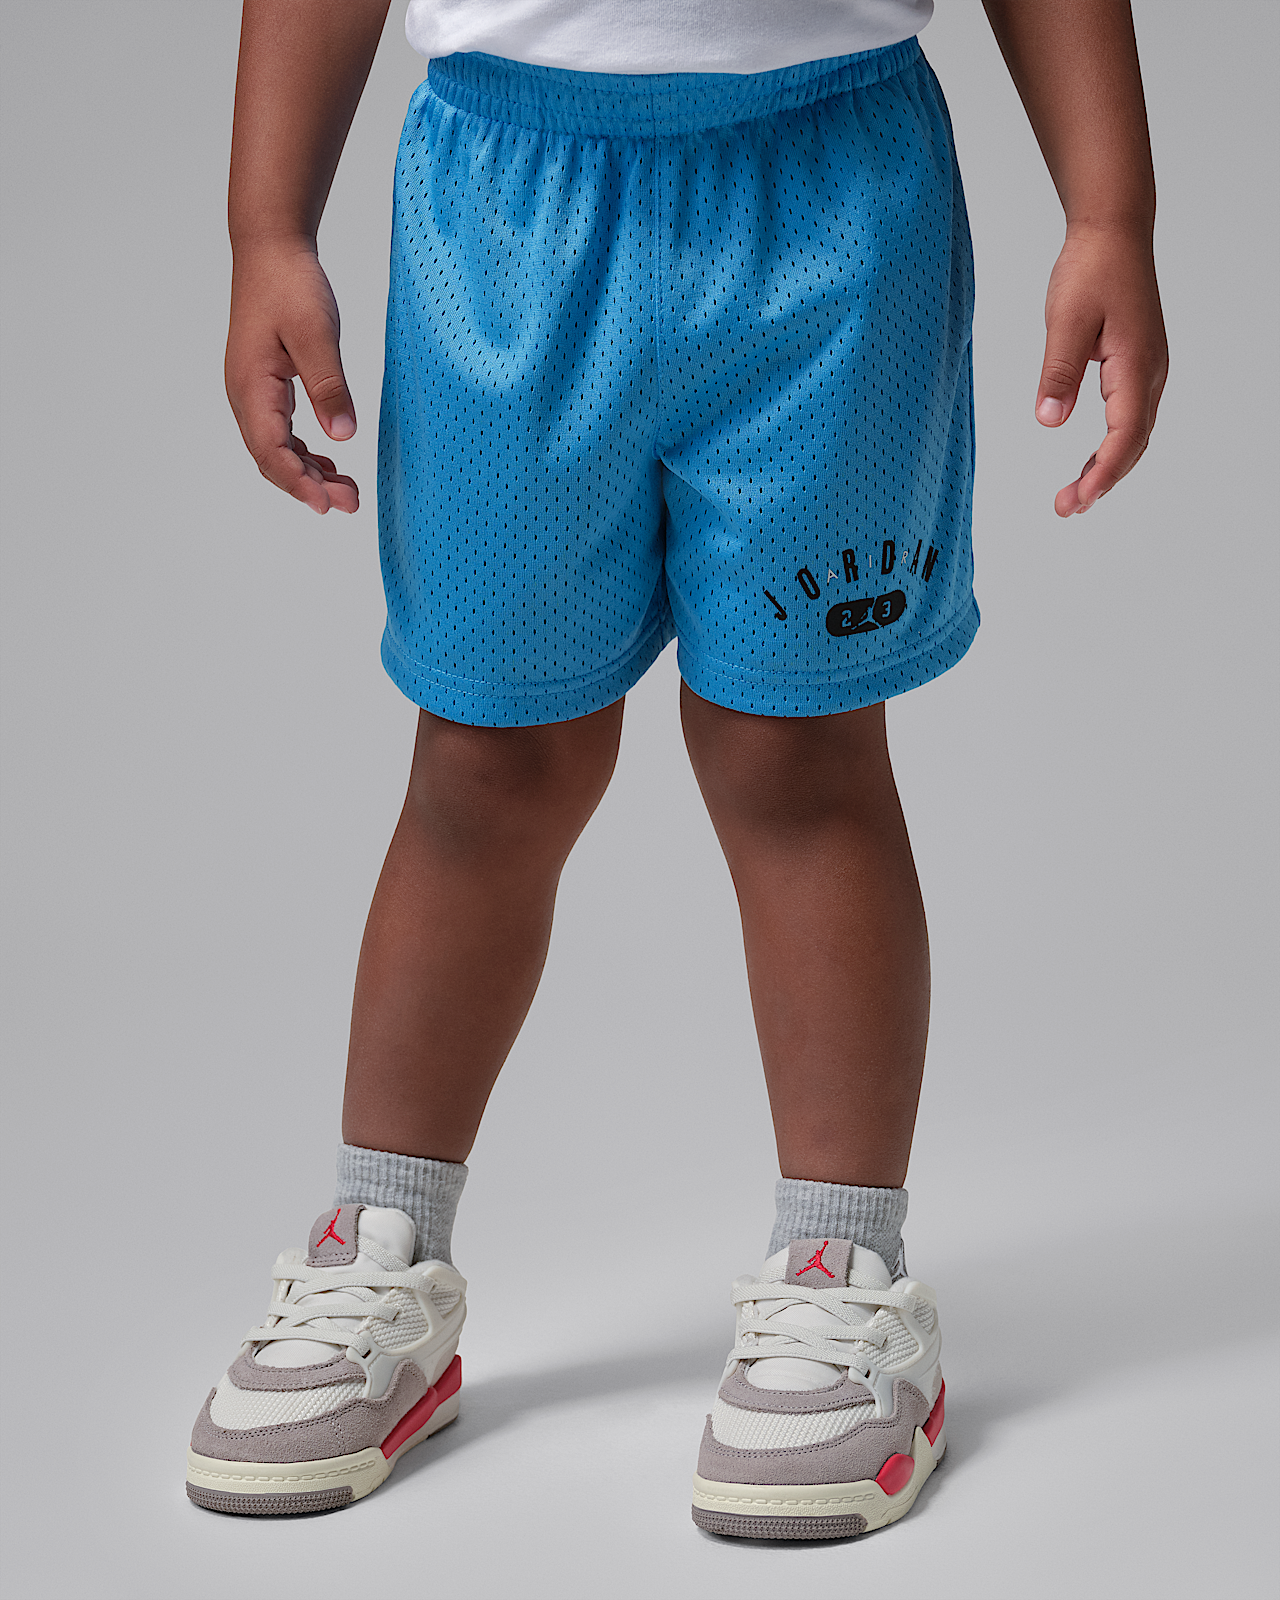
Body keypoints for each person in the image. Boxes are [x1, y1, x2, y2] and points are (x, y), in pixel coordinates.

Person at [186, 0, 1167, 1534]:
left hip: (829, 205)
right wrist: (267, 228)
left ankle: (843, 1269)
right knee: (489, 760)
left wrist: (1110, 210)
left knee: (799, 751)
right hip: (505, 208)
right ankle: (381, 1247)